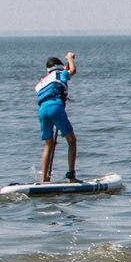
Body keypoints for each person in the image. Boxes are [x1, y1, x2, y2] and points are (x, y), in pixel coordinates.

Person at [33, 52, 79, 183]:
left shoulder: (43, 81)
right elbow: (73, 70)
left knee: (49, 144)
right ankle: (71, 176)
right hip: (56, 108)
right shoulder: (60, 74)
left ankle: (44, 180)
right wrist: (70, 58)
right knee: (72, 141)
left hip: (43, 111)